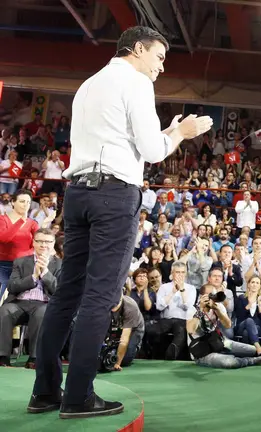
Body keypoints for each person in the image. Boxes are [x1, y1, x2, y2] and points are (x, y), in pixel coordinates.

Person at [29, 26, 213, 419]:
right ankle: (78, 396)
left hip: (78, 192)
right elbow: (150, 150)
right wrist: (180, 133)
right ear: (138, 48)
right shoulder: (135, 83)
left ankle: (45, 392)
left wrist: (167, 132)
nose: (162, 67)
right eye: (160, 57)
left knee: (67, 294)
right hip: (113, 195)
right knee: (99, 296)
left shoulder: (90, 84)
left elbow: (122, 139)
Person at [0, 229, 60, 368]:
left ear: (53, 243)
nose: (43, 245)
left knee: (42, 313)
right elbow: (12, 287)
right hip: (19, 303)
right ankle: (2, 357)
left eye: (47, 241)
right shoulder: (20, 262)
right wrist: (33, 277)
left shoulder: (60, 265)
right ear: (33, 242)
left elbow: (59, 291)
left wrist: (45, 273)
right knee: (4, 310)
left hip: (43, 303)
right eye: (39, 241)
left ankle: (34, 358)